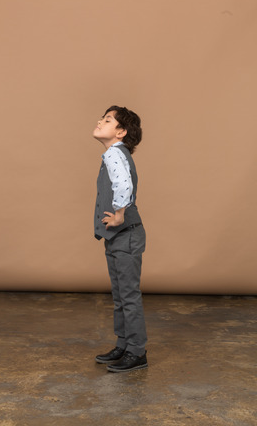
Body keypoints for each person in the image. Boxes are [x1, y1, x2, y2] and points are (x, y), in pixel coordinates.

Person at [93, 105, 147, 373]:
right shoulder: (113, 153)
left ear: (121, 132)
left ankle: (137, 352)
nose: (100, 122)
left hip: (125, 234)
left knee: (128, 295)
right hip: (118, 237)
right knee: (120, 294)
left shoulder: (115, 153)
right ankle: (124, 343)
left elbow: (123, 185)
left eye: (107, 120)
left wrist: (118, 215)